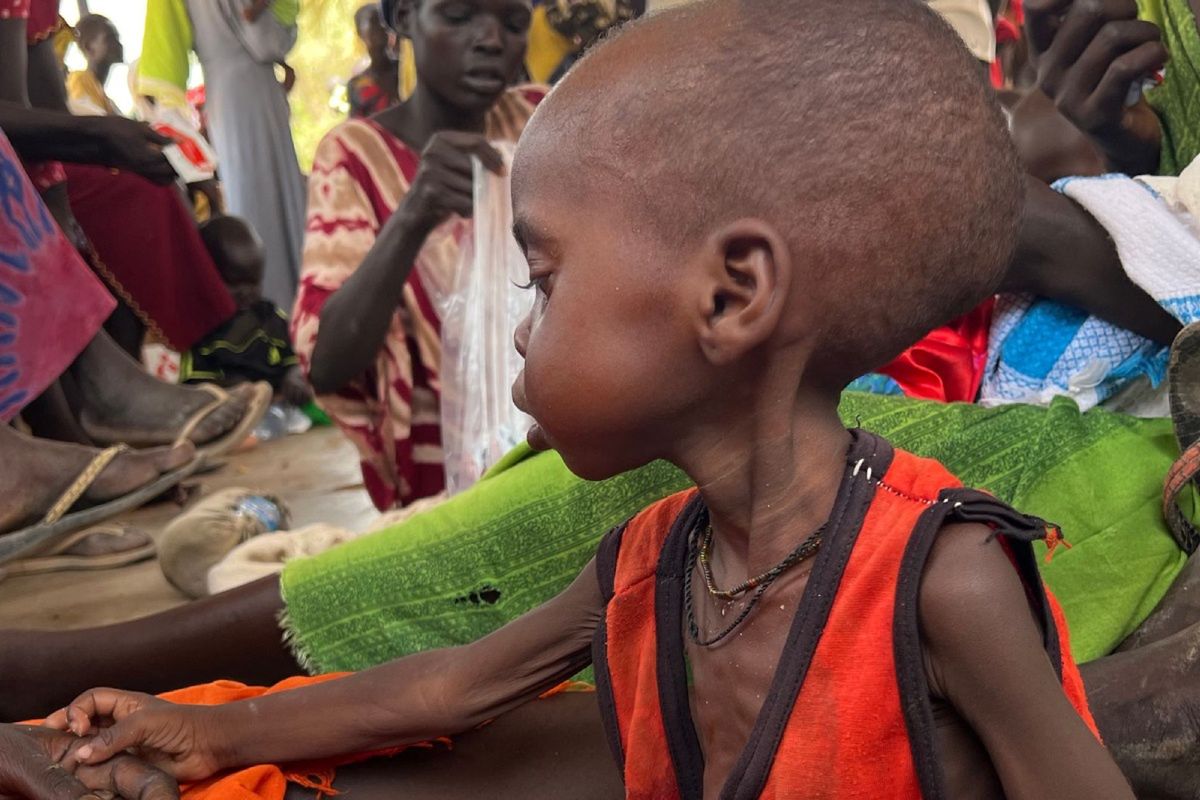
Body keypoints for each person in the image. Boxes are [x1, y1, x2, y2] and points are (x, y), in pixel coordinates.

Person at [48, 3, 1136, 798]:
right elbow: (440, 691)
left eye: (544, 277)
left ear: (731, 292)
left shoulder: (941, 575)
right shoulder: (657, 557)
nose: (521, 325)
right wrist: (222, 731)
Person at [291, 0, 542, 510]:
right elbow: (329, 364)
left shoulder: (543, 119)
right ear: (404, 17)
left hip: (563, 460)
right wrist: (412, 217)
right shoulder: (355, 158)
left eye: (513, 23)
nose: (492, 40)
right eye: (458, 16)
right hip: (444, 494)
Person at [138, 0, 307, 309]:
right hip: (256, 89)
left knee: (250, 200)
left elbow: (165, 57)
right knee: (274, 202)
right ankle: (290, 307)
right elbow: (265, 41)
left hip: (225, 96)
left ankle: (271, 310)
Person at [182, 215, 311, 406]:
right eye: (234, 283)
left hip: (279, 410)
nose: (247, 292)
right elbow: (193, 386)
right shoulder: (199, 330)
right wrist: (229, 387)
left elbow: (295, 360)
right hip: (232, 415)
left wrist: (293, 377)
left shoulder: (270, 318)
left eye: (254, 282)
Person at [347, 3, 401, 118]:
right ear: (360, 32)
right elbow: (356, 128)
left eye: (384, 22)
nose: (382, 27)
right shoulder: (357, 85)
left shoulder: (403, 70)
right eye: (374, 22)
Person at [66, 14, 123, 116]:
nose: (119, 44)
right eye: (110, 38)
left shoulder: (104, 97)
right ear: (89, 48)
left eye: (118, 39)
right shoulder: (79, 79)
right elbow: (89, 119)